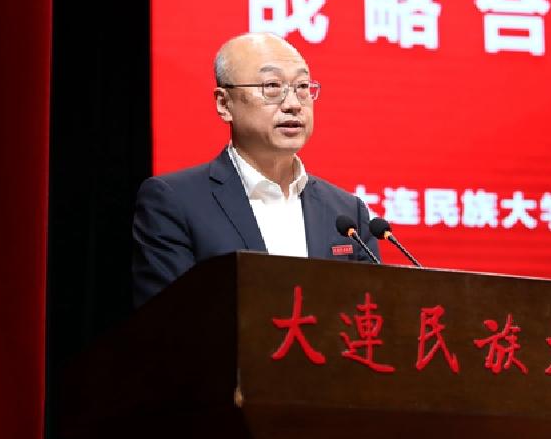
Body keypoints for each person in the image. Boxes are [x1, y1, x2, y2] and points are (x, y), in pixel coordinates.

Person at [132, 32, 378, 307]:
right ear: (224, 104)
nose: (293, 104)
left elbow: (373, 315)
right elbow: (168, 317)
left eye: (302, 87)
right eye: (272, 86)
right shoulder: (175, 201)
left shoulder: (348, 212)